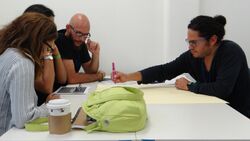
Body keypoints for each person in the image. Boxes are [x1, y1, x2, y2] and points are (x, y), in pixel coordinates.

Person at [113, 15, 250, 118]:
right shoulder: (193, 56)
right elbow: (164, 71)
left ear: (212, 40)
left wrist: (189, 86)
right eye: (188, 42)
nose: (190, 47)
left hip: (240, 115)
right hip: (215, 112)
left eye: (194, 42)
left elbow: (222, 89)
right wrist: (128, 77)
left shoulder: (231, 52)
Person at [0, 13, 60, 136]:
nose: (45, 55)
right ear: (38, 40)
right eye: (48, 48)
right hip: (8, 134)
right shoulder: (23, 62)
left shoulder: (9, 53)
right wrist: (48, 106)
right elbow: (23, 119)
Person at [24, 4, 67, 106]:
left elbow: (62, 79)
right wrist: (48, 52)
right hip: (33, 110)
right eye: (48, 26)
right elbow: (47, 87)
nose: (52, 31)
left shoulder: (44, 46)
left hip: (45, 104)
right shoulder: (26, 52)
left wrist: (55, 51)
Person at [55, 13, 105, 84]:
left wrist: (95, 54)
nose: (82, 39)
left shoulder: (80, 41)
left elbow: (90, 71)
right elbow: (72, 79)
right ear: (68, 28)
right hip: (54, 91)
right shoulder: (61, 39)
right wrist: (98, 76)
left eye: (86, 35)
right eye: (78, 33)